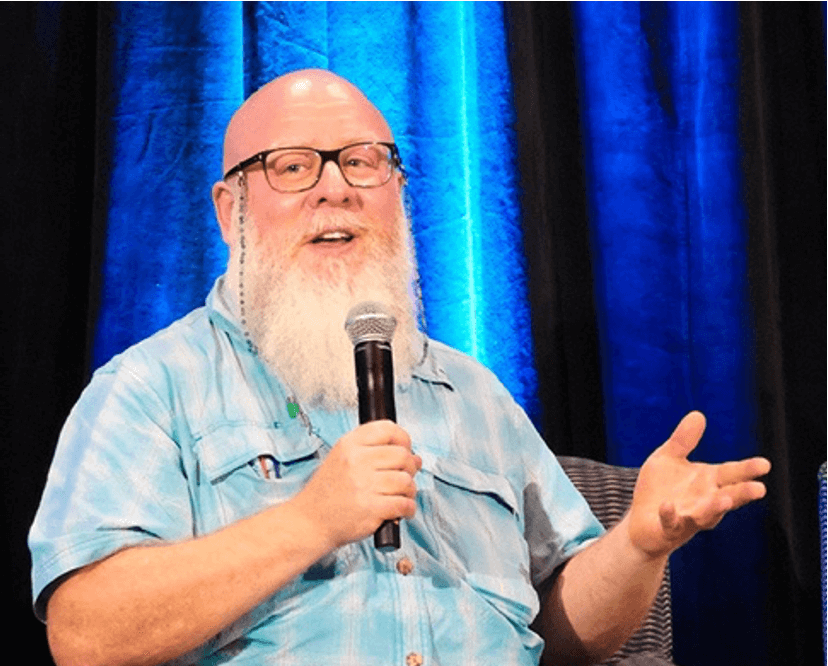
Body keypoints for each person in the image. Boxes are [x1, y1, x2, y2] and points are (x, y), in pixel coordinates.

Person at [29, 69, 771, 666]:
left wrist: (638, 544)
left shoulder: (473, 392)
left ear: (398, 194)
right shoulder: (151, 388)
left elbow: (567, 637)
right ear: (231, 212)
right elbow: (87, 634)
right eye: (293, 167)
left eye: (362, 161)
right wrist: (311, 522)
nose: (336, 187)